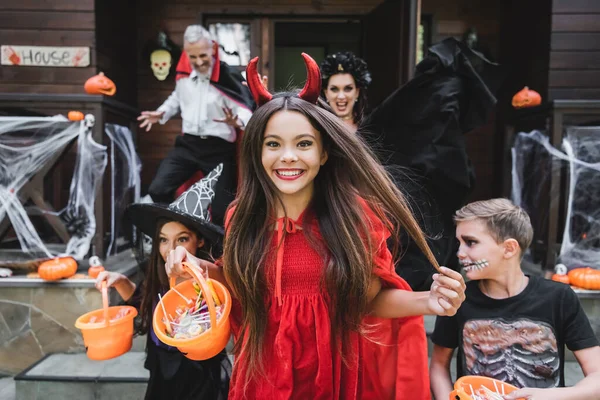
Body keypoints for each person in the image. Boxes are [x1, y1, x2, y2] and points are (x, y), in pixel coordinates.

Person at [166, 53, 467, 399]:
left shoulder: (355, 218)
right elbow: (238, 287)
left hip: (333, 378)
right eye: (273, 144)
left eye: (304, 144)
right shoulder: (241, 217)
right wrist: (194, 268)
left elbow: (369, 300)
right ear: (257, 154)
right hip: (262, 379)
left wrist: (430, 301)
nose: (288, 156)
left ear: (324, 153)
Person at [319, 40, 504, 291]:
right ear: (325, 92)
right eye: (334, 89)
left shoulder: (380, 128)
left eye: (347, 88)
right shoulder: (317, 131)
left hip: (371, 215)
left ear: (358, 91)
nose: (341, 96)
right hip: (333, 214)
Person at [429, 198, 600, 400]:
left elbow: (597, 377)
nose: (460, 253)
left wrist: (555, 396)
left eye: (471, 242)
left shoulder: (559, 298)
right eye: (459, 243)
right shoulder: (458, 298)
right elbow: (438, 365)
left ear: (509, 248)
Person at [95, 166, 231, 400]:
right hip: (162, 370)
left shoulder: (208, 277)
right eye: (163, 240)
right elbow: (143, 305)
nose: (171, 249)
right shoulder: (157, 273)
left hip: (198, 371)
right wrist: (121, 281)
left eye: (182, 239)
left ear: (199, 241)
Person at [138, 24, 255, 225]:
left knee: (222, 210)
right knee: (158, 190)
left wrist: (237, 121)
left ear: (213, 50)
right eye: (193, 57)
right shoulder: (184, 76)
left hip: (219, 149)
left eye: (203, 55)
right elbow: (177, 98)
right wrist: (162, 113)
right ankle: (178, 228)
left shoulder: (226, 77)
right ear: (186, 54)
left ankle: (217, 251)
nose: (199, 61)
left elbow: (245, 109)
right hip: (188, 146)